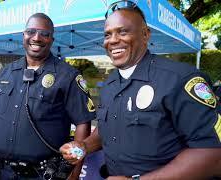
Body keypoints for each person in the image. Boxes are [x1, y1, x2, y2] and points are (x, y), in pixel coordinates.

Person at [60, 1, 221, 179]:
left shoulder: (180, 79)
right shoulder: (109, 85)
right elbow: (107, 129)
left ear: (145, 35)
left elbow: (212, 155)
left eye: (123, 31)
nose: (113, 40)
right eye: (107, 34)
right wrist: (85, 146)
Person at [0, 13, 95, 180]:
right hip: (1, 170)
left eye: (44, 34)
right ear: (23, 36)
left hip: (42, 174)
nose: (36, 37)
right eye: (31, 31)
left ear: (52, 40)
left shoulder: (67, 76)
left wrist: (74, 174)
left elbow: (83, 123)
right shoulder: (7, 71)